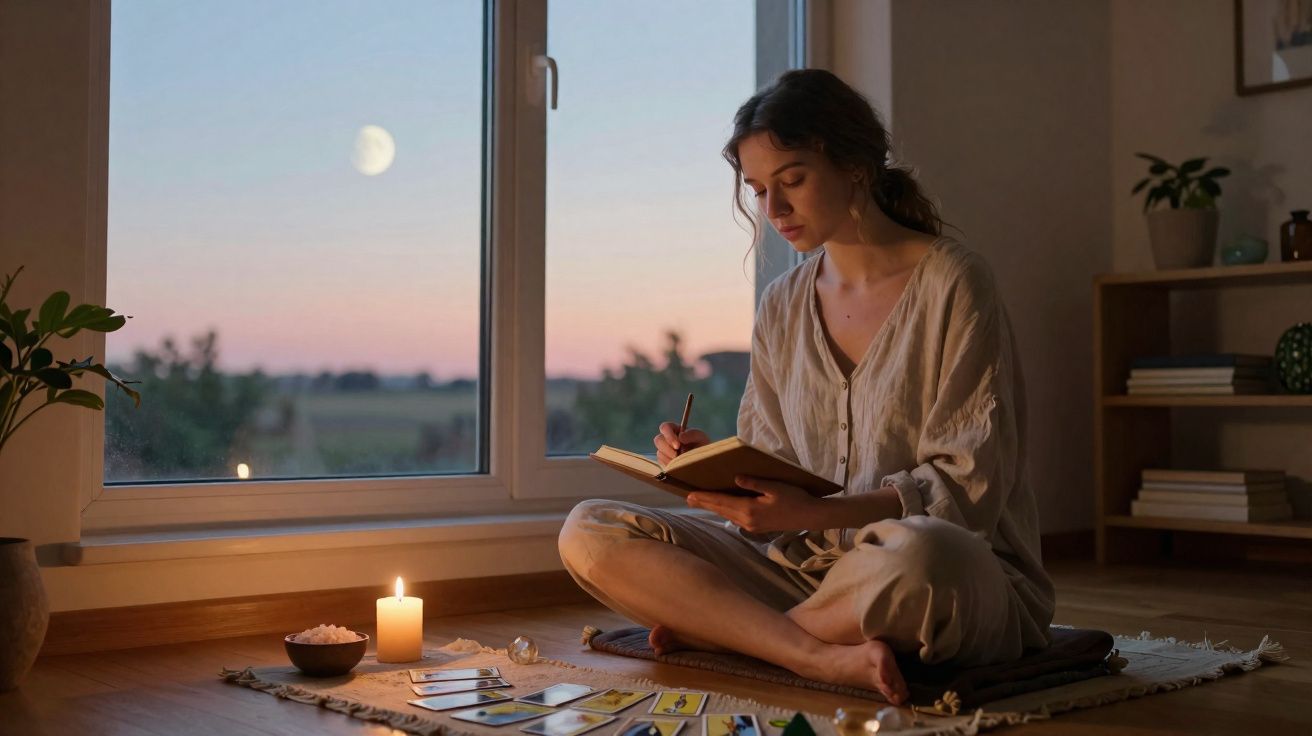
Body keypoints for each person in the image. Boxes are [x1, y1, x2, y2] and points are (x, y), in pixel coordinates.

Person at [557, 69, 1054, 705]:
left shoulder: (955, 282)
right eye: (759, 189)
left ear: (855, 166)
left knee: (927, 557)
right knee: (589, 528)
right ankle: (814, 652)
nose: (774, 209)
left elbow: (966, 490)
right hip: (799, 572)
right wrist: (721, 470)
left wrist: (817, 513)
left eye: (791, 180)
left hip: (935, 573)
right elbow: (779, 475)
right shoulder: (782, 303)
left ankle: (738, 637)